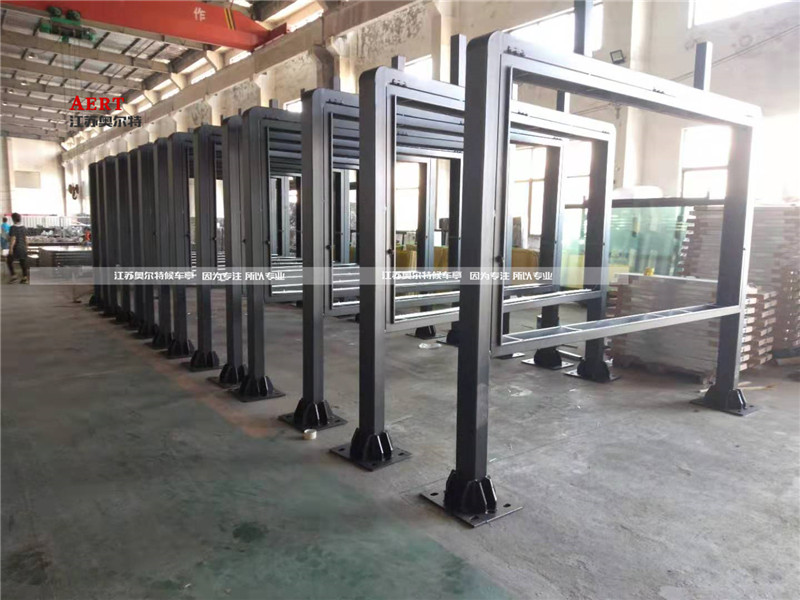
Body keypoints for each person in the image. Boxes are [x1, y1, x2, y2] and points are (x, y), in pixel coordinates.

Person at [7, 213, 29, 284]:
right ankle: (25, 278)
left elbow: (13, 239)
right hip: (23, 247)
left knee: (9, 261)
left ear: (13, 219)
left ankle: (14, 276)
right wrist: (26, 247)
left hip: (16, 248)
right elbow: (26, 239)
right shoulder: (23, 227)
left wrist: (10, 248)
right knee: (23, 262)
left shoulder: (13, 228)